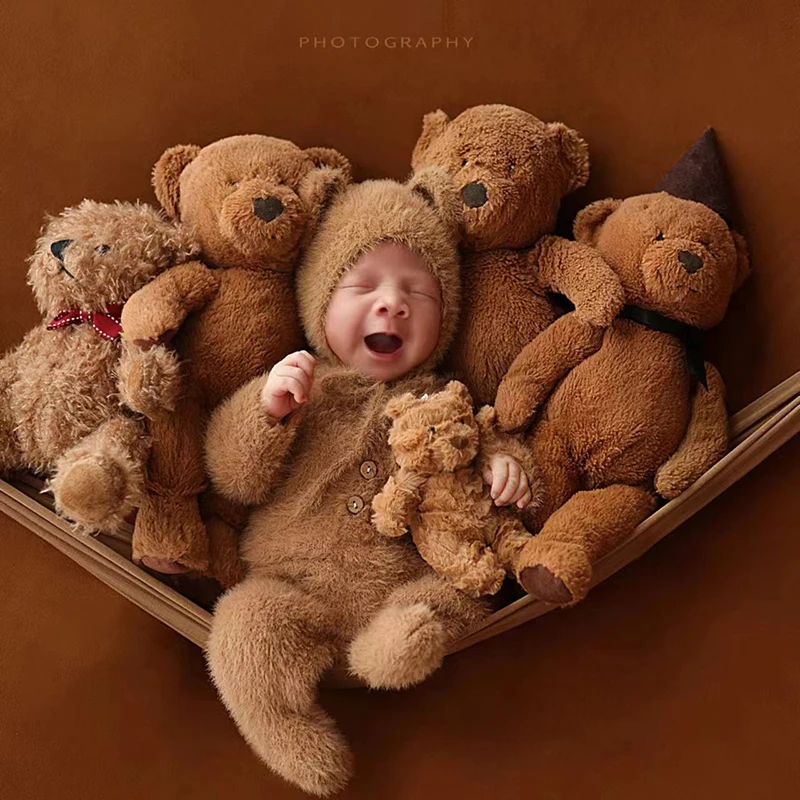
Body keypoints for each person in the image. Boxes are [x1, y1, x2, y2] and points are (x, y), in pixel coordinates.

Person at [203, 170, 537, 796]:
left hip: (403, 584)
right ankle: (293, 739)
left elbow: (494, 444)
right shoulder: (304, 384)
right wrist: (267, 410)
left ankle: (401, 638)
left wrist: (507, 469)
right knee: (241, 629)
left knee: (466, 588)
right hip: (293, 585)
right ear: (317, 300)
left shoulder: (449, 401)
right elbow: (232, 473)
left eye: (420, 292)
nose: (393, 303)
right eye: (363, 286)